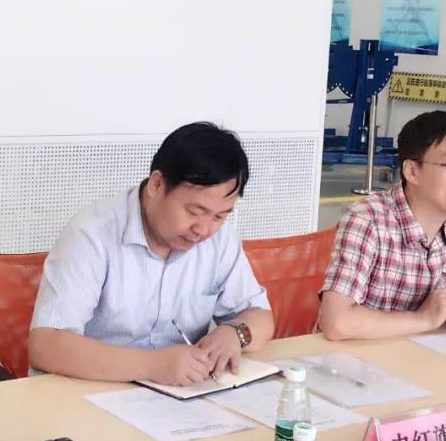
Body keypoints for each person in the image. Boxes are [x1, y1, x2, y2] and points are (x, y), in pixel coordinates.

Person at [29, 122, 274, 385]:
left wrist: (235, 332)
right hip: (91, 391)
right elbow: (46, 345)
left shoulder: (219, 239)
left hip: (181, 396)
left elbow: (261, 317)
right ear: (156, 185)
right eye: (194, 212)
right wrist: (155, 366)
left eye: (219, 216)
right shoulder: (92, 234)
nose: (203, 230)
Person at [315, 110, 446, 341]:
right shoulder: (368, 220)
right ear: (412, 171)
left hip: (430, 352)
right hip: (359, 354)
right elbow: (337, 322)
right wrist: (424, 319)